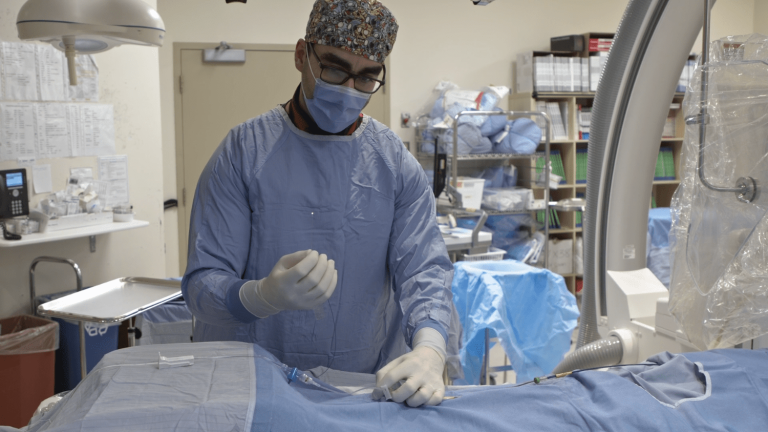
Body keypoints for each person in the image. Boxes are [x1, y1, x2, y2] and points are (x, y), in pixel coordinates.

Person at [182, 0, 454, 407]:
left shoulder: (395, 163)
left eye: (366, 77)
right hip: (254, 386)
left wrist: (431, 350)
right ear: (300, 56)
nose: (348, 89)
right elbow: (203, 283)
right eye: (334, 68)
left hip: (358, 385)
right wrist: (260, 296)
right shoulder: (243, 152)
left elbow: (424, 270)